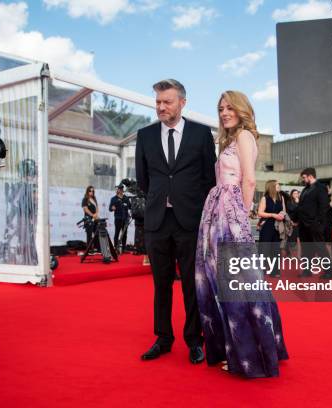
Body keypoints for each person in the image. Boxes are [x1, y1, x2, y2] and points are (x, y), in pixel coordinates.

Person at [195, 90, 288, 377]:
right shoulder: (230, 139)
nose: (224, 113)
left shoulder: (245, 136)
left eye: (230, 108)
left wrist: (240, 212)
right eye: (220, 108)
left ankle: (250, 352)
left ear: (241, 110)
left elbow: (249, 178)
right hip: (217, 213)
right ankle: (238, 346)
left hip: (230, 214)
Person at [136, 79, 216, 364]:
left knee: (191, 286)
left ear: (182, 102)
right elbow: (143, 179)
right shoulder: (144, 136)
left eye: (167, 101)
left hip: (189, 221)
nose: (161, 106)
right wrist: (162, 199)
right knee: (161, 283)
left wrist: (192, 206)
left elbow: (209, 178)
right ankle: (163, 337)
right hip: (157, 221)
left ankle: (195, 340)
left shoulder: (201, 134)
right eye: (158, 101)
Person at [296, 167, 332, 279]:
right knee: (306, 248)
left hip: (314, 224)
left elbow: (323, 207)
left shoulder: (320, 188)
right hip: (303, 225)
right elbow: (301, 206)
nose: (303, 179)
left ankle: (329, 271)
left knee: (320, 247)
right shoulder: (305, 189)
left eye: (304, 177)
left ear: (310, 176)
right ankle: (307, 270)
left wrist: (317, 222)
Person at [257, 180, 285, 277]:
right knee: (264, 249)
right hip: (267, 225)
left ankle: (275, 271)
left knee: (276, 250)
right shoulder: (265, 198)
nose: (279, 186)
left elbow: (283, 210)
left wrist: (281, 215)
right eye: (277, 184)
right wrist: (273, 215)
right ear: (272, 186)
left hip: (277, 226)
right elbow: (260, 213)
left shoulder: (281, 197)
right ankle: (261, 271)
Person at [109, 185, 131, 252]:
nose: (120, 190)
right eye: (119, 189)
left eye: (121, 189)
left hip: (125, 218)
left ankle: (123, 248)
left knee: (124, 233)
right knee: (117, 233)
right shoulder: (113, 199)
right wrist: (112, 208)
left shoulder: (126, 198)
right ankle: (115, 247)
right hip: (118, 218)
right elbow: (110, 208)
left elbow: (130, 207)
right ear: (117, 190)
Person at [81, 186, 99, 252]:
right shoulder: (85, 199)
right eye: (90, 191)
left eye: (92, 191)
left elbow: (97, 208)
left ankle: (96, 248)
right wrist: (92, 215)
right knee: (89, 234)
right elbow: (85, 209)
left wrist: (96, 214)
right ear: (87, 191)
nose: (91, 192)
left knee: (96, 233)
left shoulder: (94, 199)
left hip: (95, 219)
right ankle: (88, 249)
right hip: (88, 219)